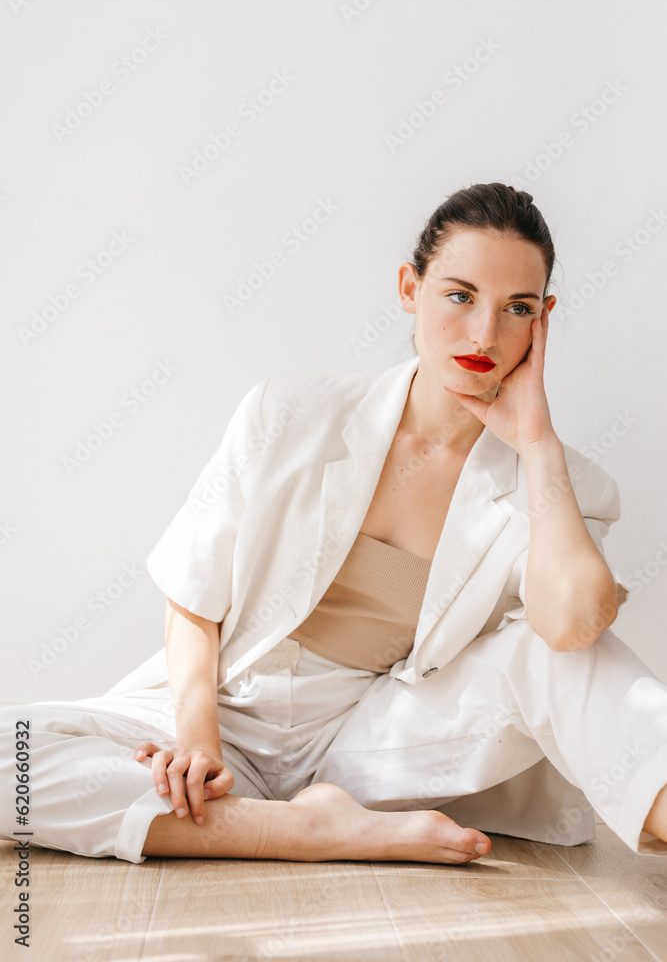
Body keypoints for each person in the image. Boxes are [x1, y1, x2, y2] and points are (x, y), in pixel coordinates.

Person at [3, 182, 667, 866]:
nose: (483, 334)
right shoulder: (289, 413)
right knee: (7, 756)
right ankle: (306, 831)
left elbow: (570, 628)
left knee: (554, 654)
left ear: (543, 318)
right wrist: (198, 741)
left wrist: (537, 444)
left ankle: (283, 821)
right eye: (460, 296)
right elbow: (193, 599)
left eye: (517, 308)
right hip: (225, 708)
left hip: (372, 739)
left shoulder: (561, 482)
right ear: (410, 288)